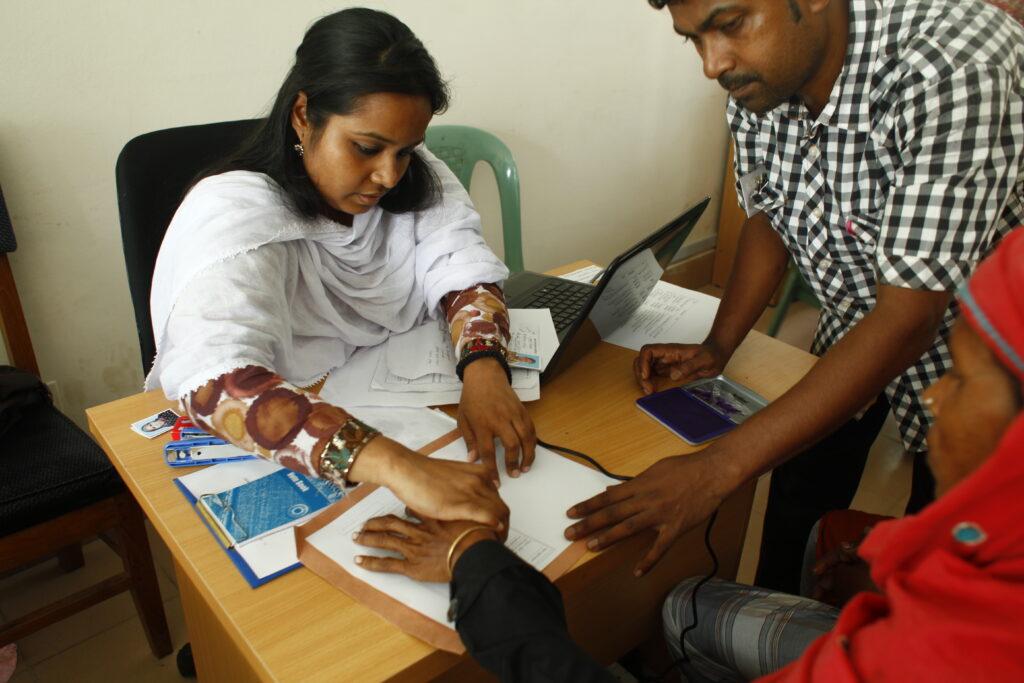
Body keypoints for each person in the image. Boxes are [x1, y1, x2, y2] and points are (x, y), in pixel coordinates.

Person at [353, 226, 1024, 681]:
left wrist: (474, 561)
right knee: (680, 604)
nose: (932, 396)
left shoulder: (950, 653)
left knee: (677, 604)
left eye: (961, 377)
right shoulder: (983, 568)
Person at [564, 0, 1024, 593]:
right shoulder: (760, 78)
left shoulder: (952, 62)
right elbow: (768, 217)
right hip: (858, 318)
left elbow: (910, 317)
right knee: (796, 493)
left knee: (935, 556)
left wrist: (717, 468)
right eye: (693, 40)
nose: (713, 64)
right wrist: (718, 345)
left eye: (729, 25)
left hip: (986, 364)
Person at [147, 8, 537, 529]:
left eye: (406, 151)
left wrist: (485, 369)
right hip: (295, 428)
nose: (388, 176)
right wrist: (398, 466)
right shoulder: (235, 213)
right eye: (367, 148)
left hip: (395, 402)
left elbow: (462, 265)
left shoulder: (418, 179)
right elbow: (214, 382)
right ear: (303, 115)